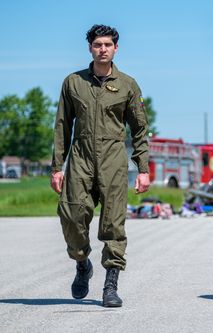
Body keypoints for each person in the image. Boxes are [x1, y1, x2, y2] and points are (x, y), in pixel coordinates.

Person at [50, 24, 150, 308]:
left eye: (107, 44)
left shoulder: (128, 85)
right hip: (80, 156)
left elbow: (140, 129)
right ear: (90, 48)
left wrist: (142, 169)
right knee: (71, 213)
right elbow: (61, 125)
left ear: (116, 48)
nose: (102, 49)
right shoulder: (73, 82)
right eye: (97, 44)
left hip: (113, 158)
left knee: (113, 223)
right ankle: (82, 263)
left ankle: (110, 285)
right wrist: (57, 166)